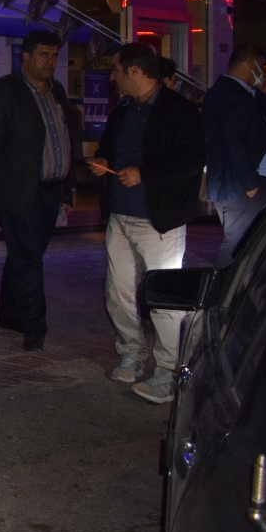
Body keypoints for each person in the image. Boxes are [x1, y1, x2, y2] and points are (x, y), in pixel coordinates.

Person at [89, 44, 205, 403]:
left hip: (160, 221)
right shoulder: (124, 109)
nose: (112, 76)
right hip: (121, 216)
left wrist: (145, 174)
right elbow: (109, 146)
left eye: (116, 70)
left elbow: (191, 159)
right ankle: (132, 354)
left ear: (136, 72)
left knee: (164, 300)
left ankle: (169, 372)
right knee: (118, 292)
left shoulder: (180, 110)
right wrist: (101, 160)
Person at [0, 28, 79, 350]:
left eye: (55, 55)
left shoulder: (56, 91)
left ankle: (9, 315)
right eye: (44, 55)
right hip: (16, 192)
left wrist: (69, 189)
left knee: (24, 255)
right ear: (26, 57)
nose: (50, 62)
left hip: (50, 189)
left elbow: (66, 141)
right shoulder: (4, 91)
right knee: (29, 258)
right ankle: (35, 327)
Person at [203, 44, 266, 267]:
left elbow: (252, 128)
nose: (263, 72)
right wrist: (251, 186)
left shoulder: (235, 92)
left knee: (247, 245)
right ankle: (220, 297)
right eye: (261, 66)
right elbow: (234, 141)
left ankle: (232, 295)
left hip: (243, 185)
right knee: (238, 247)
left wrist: (262, 97)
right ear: (251, 64)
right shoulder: (231, 94)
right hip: (243, 188)